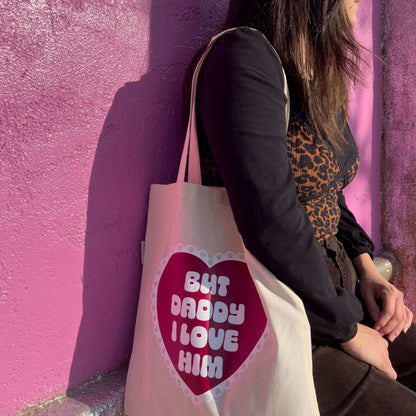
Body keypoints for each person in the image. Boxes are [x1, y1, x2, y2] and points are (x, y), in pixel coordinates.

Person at [183, 0, 416, 414]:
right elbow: (268, 219)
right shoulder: (241, 59)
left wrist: (365, 268)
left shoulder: (310, 65)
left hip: (337, 293)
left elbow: (326, 188)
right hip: (278, 312)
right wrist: (346, 329)